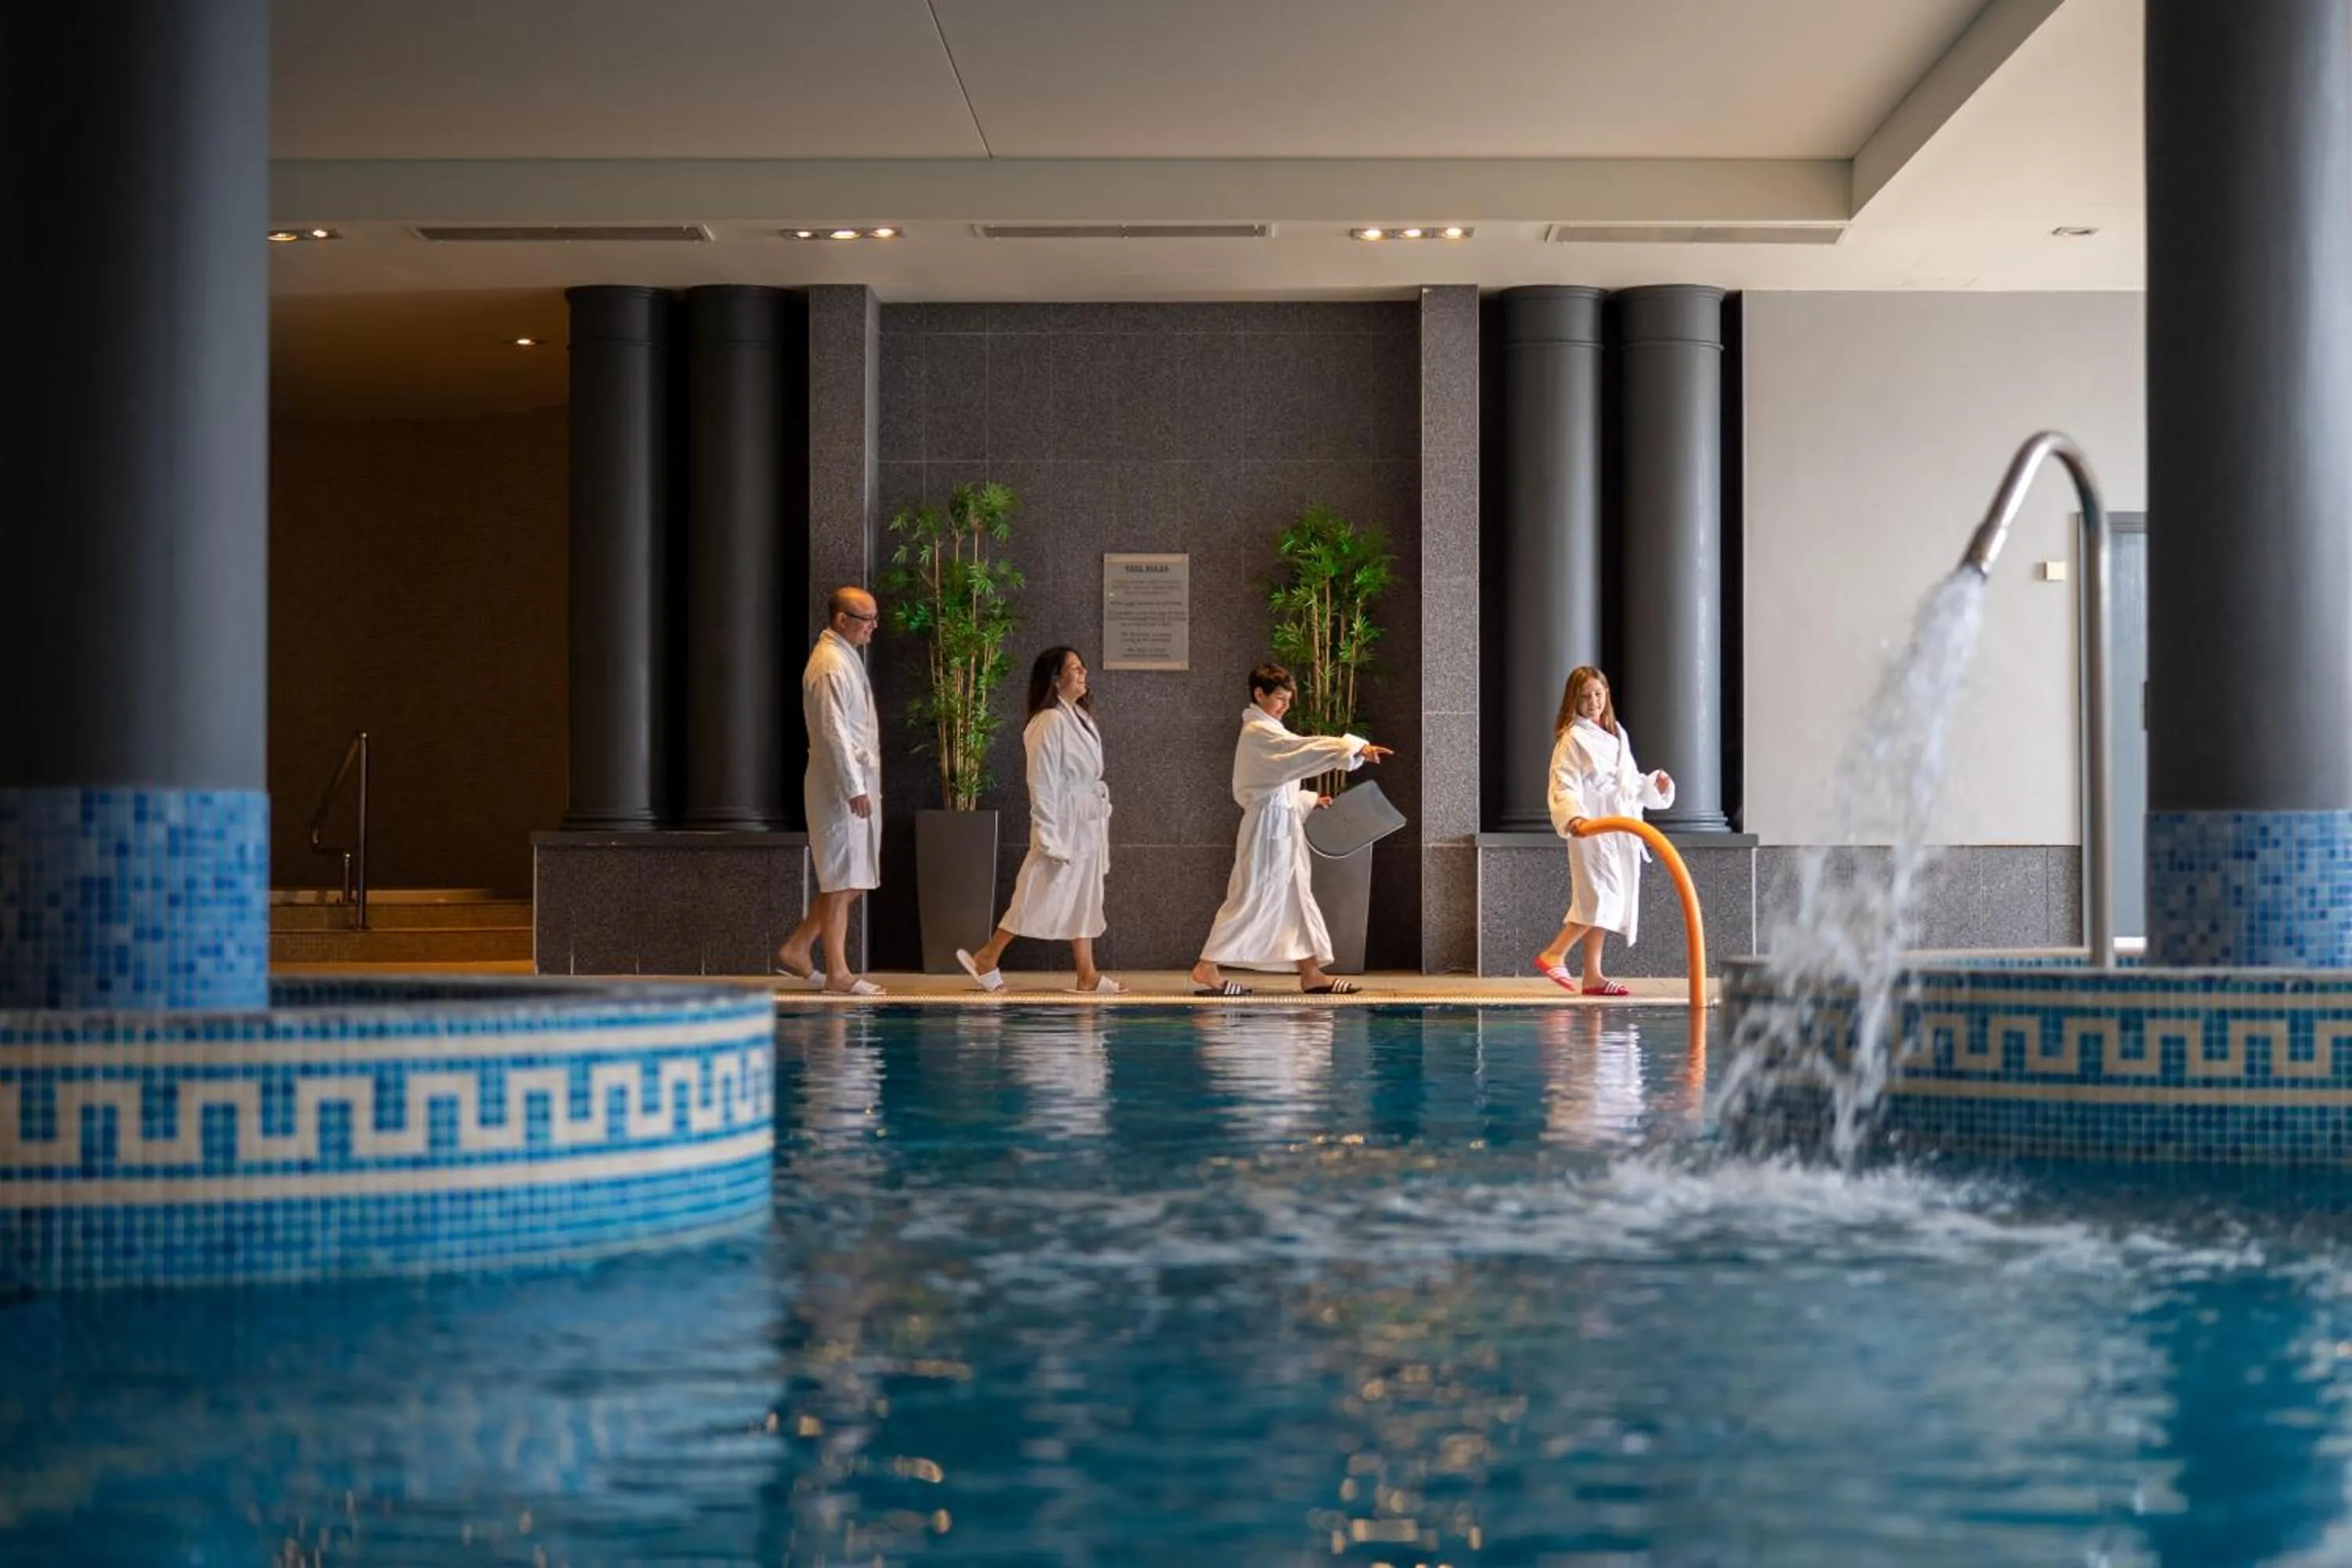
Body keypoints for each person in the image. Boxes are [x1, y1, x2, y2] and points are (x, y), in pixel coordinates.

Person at [1189, 662, 1394, 996]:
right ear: (1260, 694)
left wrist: (1307, 800)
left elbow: (1283, 777)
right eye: (1280, 699)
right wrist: (1354, 748)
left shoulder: (1271, 731)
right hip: (1267, 831)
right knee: (1252, 896)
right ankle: (1207, 966)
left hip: (1280, 826)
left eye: (1287, 699)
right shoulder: (1259, 733)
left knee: (1298, 896)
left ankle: (1311, 972)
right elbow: (1301, 753)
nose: (1285, 706)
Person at [956, 647, 1125, 994]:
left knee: (1083, 894)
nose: (1083, 673)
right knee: (1038, 891)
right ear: (1055, 678)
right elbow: (1041, 780)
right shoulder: (1047, 722)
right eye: (1074, 668)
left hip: (1086, 820)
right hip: (1062, 821)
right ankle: (987, 956)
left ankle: (1087, 973)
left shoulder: (1079, 717)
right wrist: (1048, 832)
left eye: (1082, 666)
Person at [1535, 665, 1675, 996]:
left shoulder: (1617, 734)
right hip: (1594, 829)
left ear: (1607, 695)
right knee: (1599, 896)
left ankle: (1593, 976)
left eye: (1598, 694)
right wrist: (1574, 819)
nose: (1593, 701)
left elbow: (1629, 782)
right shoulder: (1573, 739)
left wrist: (1655, 785)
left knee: (1611, 900)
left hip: (1621, 829)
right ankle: (1554, 953)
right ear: (1574, 700)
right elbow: (1563, 783)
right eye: (1585, 696)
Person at [775, 586, 886, 996]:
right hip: (839, 786)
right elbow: (832, 734)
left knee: (853, 879)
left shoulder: (845, 656)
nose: (874, 627)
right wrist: (854, 788)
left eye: (875, 617)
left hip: (852, 782)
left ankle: (798, 948)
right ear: (842, 620)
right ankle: (838, 972)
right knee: (841, 880)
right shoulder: (827, 665)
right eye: (867, 619)